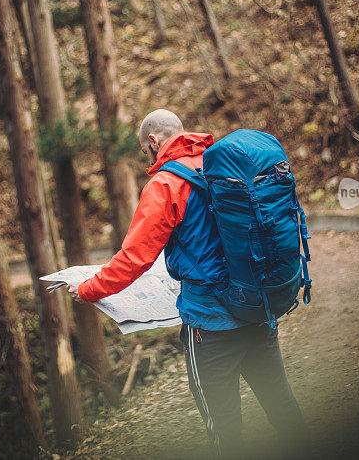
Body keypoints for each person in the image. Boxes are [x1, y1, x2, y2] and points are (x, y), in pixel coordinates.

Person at [66, 109, 309, 457]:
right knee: (281, 403)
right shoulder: (221, 166)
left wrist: (89, 289)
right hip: (257, 308)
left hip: (210, 327)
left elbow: (135, 257)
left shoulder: (164, 185)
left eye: (144, 151)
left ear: (153, 141)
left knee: (223, 427)